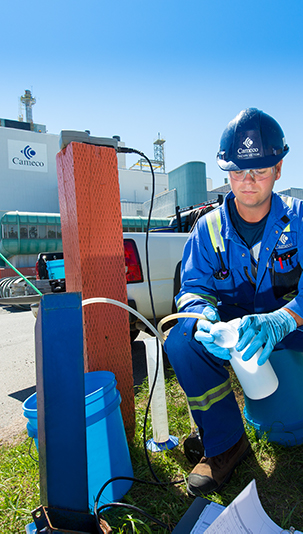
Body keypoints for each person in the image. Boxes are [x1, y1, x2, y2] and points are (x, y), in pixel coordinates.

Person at [164, 107, 303, 497]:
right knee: (181, 339)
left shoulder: (300, 221)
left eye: (259, 170)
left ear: (278, 169)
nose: (248, 181)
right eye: (239, 171)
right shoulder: (206, 229)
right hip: (233, 337)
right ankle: (225, 443)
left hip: (289, 332)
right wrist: (201, 317)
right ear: (226, 172)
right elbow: (191, 288)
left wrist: (285, 319)